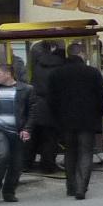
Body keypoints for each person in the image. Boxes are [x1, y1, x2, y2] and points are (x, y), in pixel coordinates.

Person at [45, 50, 103, 200]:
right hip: (88, 119)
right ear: (81, 55)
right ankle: (81, 187)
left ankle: (71, 186)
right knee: (86, 152)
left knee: (70, 152)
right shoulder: (92, 73)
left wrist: (56, 117)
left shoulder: (56, 74)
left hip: (65, 120)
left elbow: (51, 99)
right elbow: (102, 96)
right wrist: (100, 112)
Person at [0, 62, 36, 202]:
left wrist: (27, 129)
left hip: (18, 130)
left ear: (8, 74)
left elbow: (32, 111)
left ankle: (9, 191)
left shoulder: (26, 89)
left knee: (17, 164)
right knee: (2, 155)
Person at [26, 42, 68, 172]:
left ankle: (26, 164)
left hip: (37, 102)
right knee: (50, 138)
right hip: (53, 105)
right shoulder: (61, 68)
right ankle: (47, 165)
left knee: (33, 136)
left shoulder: (38, 65)